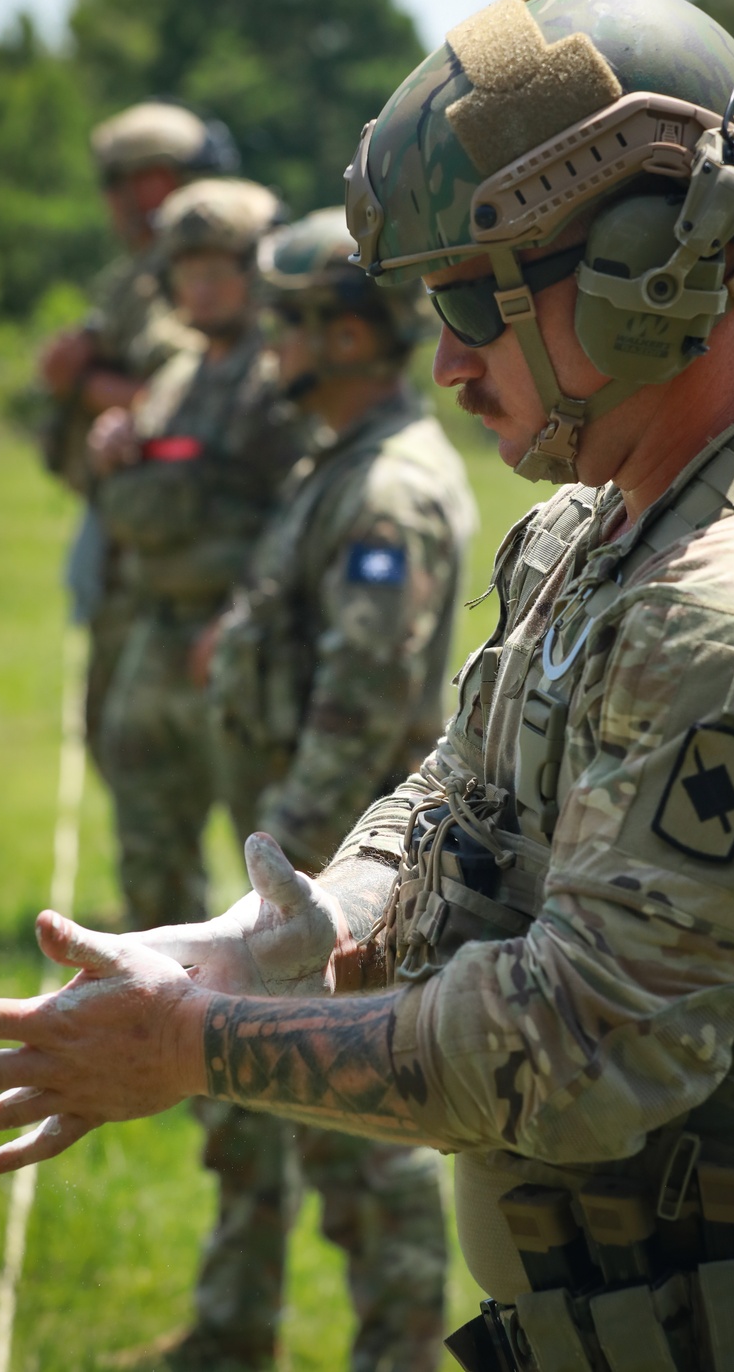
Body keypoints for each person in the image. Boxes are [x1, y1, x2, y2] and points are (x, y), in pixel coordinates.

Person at [0, 0, 734, 1372]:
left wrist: (199, 1045)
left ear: (657, 257)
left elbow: (581, 1052)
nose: (450, 361)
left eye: (474, 297)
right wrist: (287, 933)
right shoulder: (600, 530)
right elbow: (457, 793)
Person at [176, 205, 476, 1372]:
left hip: (349, 885)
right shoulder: (340, 466)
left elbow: (359, 708)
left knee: (369, 1146)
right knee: (319, 1131)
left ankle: (398, 1356)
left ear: (349, 337)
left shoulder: (385, 492)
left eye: (289, 324)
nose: (268, 349)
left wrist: (287, 880)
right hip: (315, 868)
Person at [89, 175, 309, 931]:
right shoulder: (173, 380)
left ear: (254, 273)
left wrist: (243, 619)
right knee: (147, 833)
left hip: (238, 644)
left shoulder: (280, 383)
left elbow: (301, 518)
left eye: (218, 271)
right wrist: (114, 446)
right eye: (188, 272)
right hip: (157, 632)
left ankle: (267, 1019)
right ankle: (155, 994)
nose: (202, 288)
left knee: (272, 855)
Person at [38, 101, 239, 774]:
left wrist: (83, 381)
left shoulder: (191, 276)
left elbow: (191, 394)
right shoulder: (141, 275)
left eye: (129, 179)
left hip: (185, 557)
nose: (117, 200)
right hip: (142, 547)